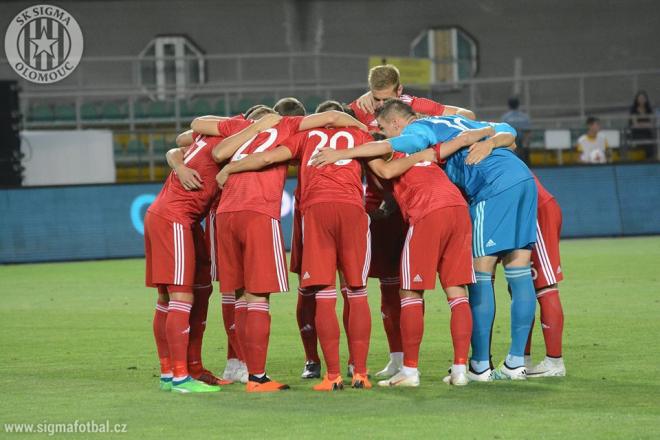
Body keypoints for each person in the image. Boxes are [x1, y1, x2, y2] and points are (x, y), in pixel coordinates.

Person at [312, 99, 538, 382]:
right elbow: (508, 132)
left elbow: (386, 161)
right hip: (515, 181)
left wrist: (341, 154)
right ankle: (490, 366)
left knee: (427, 288)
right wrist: (485, 141)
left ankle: (460, 366)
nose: (386, 134)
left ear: (397, 123)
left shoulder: (417, 132)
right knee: (505, 277)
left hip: (479, 191)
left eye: (384, 128)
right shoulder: (457, 130)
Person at [196, 107, 367, 392]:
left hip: (225, 213)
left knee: (239, 296)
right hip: (258, 212)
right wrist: (365, 128)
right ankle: (258, 378)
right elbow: (331, 117)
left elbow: (213, 149)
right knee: (260, 297)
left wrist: (231, 163)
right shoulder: (290, 126)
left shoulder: (243, 132)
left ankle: (242, 366)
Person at [349, 64, 475, 378]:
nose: (376, 107)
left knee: (408, 290)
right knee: (413, 288)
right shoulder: (358, 109)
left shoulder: (419, 118)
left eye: (384, 102)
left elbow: (466, 116)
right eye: (374, 99)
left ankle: (410, 369)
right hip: (431, 205)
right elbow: (334, 116)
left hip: (419, 209)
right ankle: (449, 367)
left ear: (399, 95)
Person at [359, 141, 478, 387]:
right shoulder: (422, 151)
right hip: (458, 210)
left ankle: (409, 371)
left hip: (428, 212)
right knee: (457, 291)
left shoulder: (385, 153)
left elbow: (385, 172)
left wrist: (347, 152)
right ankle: (460, 370)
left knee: (410, 291)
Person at [501, 97, 531, 163]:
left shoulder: (505, 117)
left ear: (509, 106)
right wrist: (525, 144)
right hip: (521, 143)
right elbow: (528, 131)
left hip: (510, 142)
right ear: (518, 105)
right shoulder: (524, 116)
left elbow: (502, 131)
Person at [629, 90, 656, 159]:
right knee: (643, 142)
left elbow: (652, 123)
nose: (642, 100)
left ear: (646, 99)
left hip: (648, 132)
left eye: (643, 98)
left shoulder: (649, 109)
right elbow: (635, 124)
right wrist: (646, 124)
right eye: (640, 98)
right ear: (637, 99)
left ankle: (651, 159)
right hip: (637, 133)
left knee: (651, 142)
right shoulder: (633, 110)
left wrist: (641, 124)